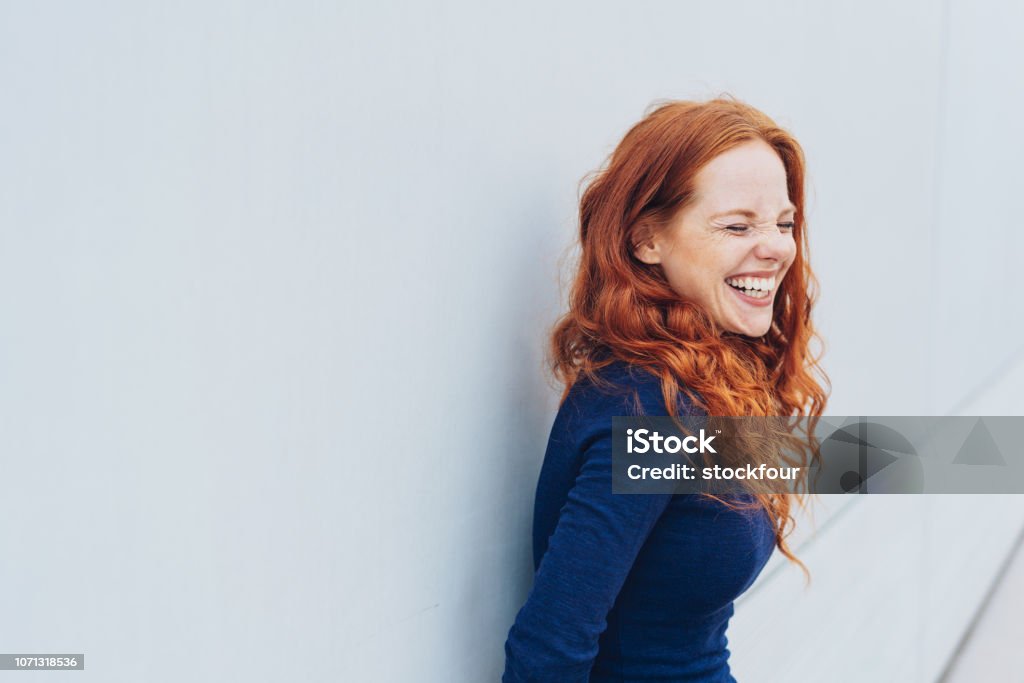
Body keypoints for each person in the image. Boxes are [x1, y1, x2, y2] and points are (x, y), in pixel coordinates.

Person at [501, 98, 829, 682]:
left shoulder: (703, 382)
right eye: (737, 225)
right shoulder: (650, 407)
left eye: (783, 223)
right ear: (646, 240)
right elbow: (547, 649)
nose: (778, 247)